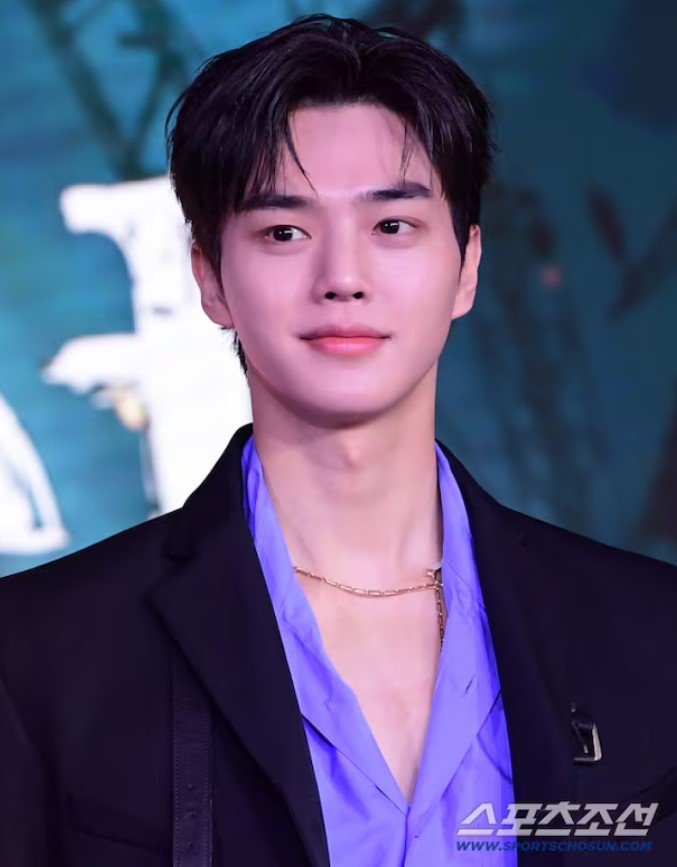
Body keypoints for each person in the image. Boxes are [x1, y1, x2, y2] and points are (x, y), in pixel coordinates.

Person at [1, 13, 676, 867]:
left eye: (391, 226)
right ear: (209, 277)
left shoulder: (649, 633)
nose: (342, 278)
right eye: (284, 231)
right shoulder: (42, 654)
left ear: (466, 266)